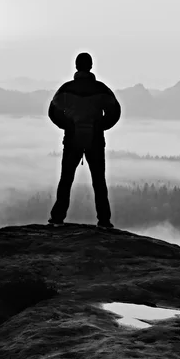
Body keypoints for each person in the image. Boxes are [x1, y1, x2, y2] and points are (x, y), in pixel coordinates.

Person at [48, 52, 121, 228]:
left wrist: (68, 125)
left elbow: (53, 111)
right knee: (98, 180)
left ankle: (57, 218)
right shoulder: (101, 89)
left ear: (76, 66)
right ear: (90, 66)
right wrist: (100, 126)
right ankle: (104, 220)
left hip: (72, 139)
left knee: (66, 179)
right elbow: (115, 111)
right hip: (95, 139)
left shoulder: (66, 90)